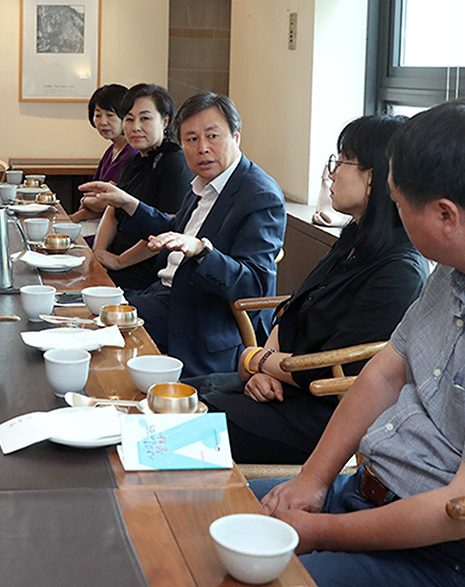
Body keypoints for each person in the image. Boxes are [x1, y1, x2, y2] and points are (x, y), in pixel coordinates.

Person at [254, 101, 465, 586]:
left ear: (445, 215)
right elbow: (385, 372)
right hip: (361, 492)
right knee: (209, 513)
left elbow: (454, 510)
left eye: (397, 199)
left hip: (435, 553)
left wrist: (321, 529)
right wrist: (313, 480)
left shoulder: (406, 263)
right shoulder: (447, 274)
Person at [183, 115, 428, 464]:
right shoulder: (355, 238)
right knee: (177, 393)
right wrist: (257, 368)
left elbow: (333, 371)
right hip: (285, 387)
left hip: (323, 419)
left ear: (374, 177)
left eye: (342, 161)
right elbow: (293, 309)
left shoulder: (400, 270)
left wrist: (258, 360)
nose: (331, 173)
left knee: (176, 424)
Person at [80, 92, 286, 378]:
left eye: (212, 136)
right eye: (191, 139)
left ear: (236, 136)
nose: (202, 148)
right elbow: (176, 230)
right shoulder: (204, 182)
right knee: (84, 305)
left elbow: (255, 286)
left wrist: (202, 251)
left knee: (90, 320)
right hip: (164, 298)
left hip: (202, 321)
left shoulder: (259, 194)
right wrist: (128, 203)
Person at [90, 84, 193, 289]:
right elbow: (112, 208)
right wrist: (99, 251)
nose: (135, 127)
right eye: (129, 119)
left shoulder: (175, 162)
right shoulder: (135, 159)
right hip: (117, 257)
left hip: (147, 268)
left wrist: (119, 262)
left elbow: (168, 229)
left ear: (165, 121)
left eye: (145, 118)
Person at [68, 84, 137, 239]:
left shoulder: (131, 154)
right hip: (95, 223)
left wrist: (87, 202)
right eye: (98, 115)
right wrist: (86, 204)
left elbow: (104, 203)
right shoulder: (112, 150)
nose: (103, 122)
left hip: (115, 232)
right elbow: (94, 199)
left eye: (110, 115)